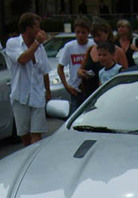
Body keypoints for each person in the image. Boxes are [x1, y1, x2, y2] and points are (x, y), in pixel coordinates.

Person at [5, 12, 51, 145]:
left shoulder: (40, 48)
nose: (40, 31)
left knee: (36, 134)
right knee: (24, 136)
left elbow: (45, 70)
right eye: (37, 27)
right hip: (20, 96)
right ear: (29, 29)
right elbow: (22, 59)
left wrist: (48, 90)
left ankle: (35, 159)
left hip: (37, 96)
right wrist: (36, 43)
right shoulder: (13, 43)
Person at [78, 20, 127, 97]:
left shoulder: (117, 51)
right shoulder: (90, 49)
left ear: (107, 33)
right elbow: (81, 69)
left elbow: (126, 76)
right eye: (94, 36)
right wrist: (81, 73)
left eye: (99, 35)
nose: (96, 39)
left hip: (109, 95)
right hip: (89, 95)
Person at [58, 17, 94, 114]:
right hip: (75, 89)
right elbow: (60, 67)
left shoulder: (93, 45)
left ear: (88, 32)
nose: (80, 35)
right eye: (78, 32)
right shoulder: (69, 47)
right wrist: (66, 86)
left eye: (83, 32)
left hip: (90, 88)